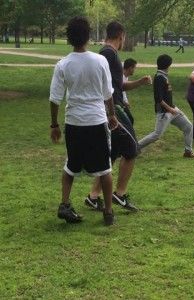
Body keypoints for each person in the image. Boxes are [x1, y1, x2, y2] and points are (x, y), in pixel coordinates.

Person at [49, 16, 118, 226]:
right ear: (88, 36)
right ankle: (108, 211)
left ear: (69, 38)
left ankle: (64, 203)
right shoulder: (100, 61)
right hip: (96, 121)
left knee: (71, 166)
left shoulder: (63, 64)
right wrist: (112, 115)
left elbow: (55, 98)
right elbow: (108, 94)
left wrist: (54, 124)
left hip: (74, 122)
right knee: (105, 168)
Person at [85, 21, 151, 212]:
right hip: (113, 110)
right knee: (131, 149)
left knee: (112, 154)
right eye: (124, 37)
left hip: (112, 106)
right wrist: (109, 111)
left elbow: (118, 86)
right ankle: (119, 194)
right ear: (121, 35)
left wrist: (139, 82)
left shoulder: (111, 54)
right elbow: (102, 86)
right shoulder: (108, 53)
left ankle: (93, 196)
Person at [138, 54, 194, 158]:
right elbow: (159, 99)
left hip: (172, 110)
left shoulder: (163, 76)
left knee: (188, 127)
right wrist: (170, 109)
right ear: (168, 65)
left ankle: (188, 151)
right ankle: (135, 147)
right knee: (157, 135)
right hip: (164, 112)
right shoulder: (159, 78)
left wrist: (173, 108)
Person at [122, 58, 151, 125]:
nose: (135, 70)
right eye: (134, 68)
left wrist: (126, 101)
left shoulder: (125, 77)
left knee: (129, 120)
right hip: (120, 104)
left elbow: (123, 91)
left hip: (123, 103)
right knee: (129, 120)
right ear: (130, 68)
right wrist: (123, 102)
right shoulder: (120, 77)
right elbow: (117, 91)